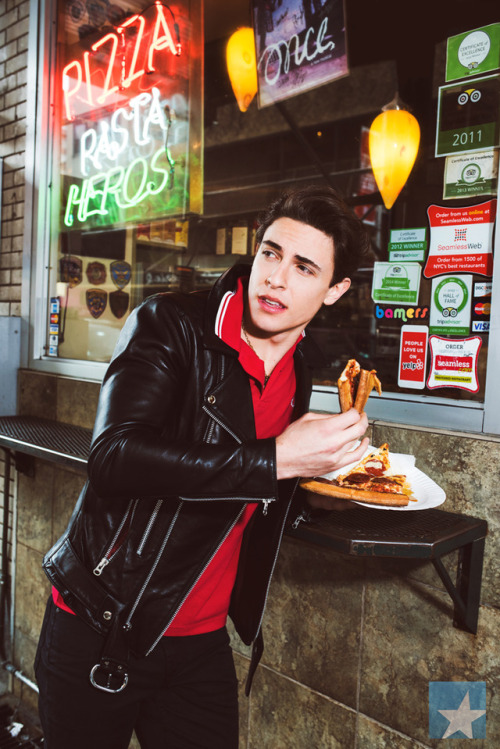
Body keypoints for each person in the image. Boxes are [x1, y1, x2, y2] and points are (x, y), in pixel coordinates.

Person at [35, 185, 370, 749]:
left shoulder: (301, 369)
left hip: (199, 644)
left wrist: (319, 480)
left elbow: (254, 485)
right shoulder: (171, 324)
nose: (276, 278)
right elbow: (114, 456)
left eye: (304, 267)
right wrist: (277, 459)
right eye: (270, 253)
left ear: (335, 290)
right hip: (103, 624)